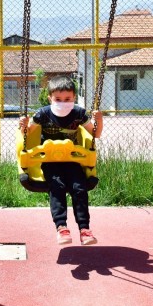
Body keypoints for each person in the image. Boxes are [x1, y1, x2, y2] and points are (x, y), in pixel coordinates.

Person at [19, 76, 103, 246]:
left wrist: (98, 121)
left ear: (74, 97)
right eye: (58, 99)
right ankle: (61, 228)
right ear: (50, 98)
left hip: (73, 160)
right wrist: (23, 125)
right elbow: (27, 134)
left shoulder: (78, 113)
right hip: (50, 161)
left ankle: (85, 230)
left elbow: (96, 134)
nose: (63, 102)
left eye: (67, 99)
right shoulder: (43, 113)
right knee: (56, 187)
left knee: (79, 189)